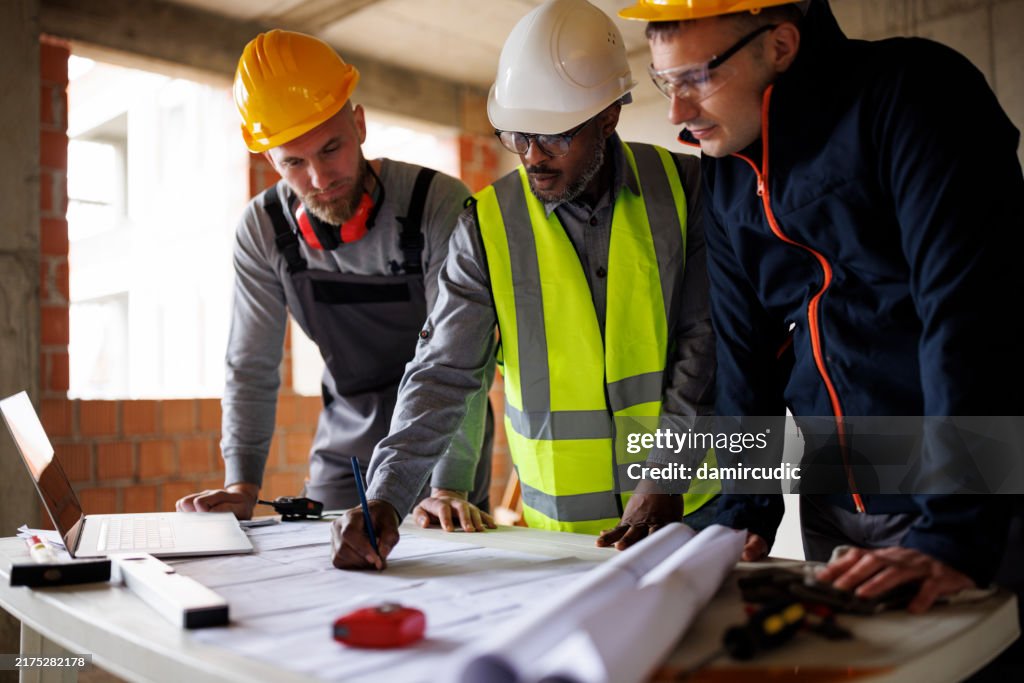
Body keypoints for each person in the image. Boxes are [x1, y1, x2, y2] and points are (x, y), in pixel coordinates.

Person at [621, 0, 1024, 654]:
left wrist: (955, 533)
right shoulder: (726, 180)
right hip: (834, 509)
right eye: (667, 83)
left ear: (779, 44)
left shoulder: (913, 93)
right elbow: (744, 358)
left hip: (977, 503)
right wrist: (743, 513)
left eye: (697, 76)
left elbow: (968, 315)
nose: (677, 112)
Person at [331, 0, 720, 571]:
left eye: (553, 137)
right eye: (518, 136)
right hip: (554, 544)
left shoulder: (686, 192)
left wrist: (667, 477)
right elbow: (443, 372)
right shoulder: (485, 227)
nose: (532, 157)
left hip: (688, 514)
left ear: (607, 118)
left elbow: (704, 346)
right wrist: (386, 494)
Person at [175, 29, 492, 522]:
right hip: (346, 443)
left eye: (331, 148)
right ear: (269, 160)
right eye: (294, 163)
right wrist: (242, 482)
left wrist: (450, 487)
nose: (320, 179)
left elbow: (460, 356)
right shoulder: (264, 232)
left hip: (444, 435)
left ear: (359, 124)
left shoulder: (437, 205)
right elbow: (251, 367)